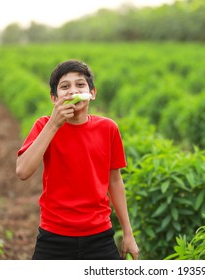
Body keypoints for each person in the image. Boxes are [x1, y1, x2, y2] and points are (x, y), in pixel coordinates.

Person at [16, 59, 139, 260]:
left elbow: (115, 181)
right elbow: (22, 171)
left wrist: (128, 233)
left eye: (80, 85)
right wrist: (54, 124)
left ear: (92, 93)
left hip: (100, 236)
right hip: (54, 236)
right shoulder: (44, 125)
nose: (73, 91)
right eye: (65, 87)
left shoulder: (108, 128)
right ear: (54, 98)